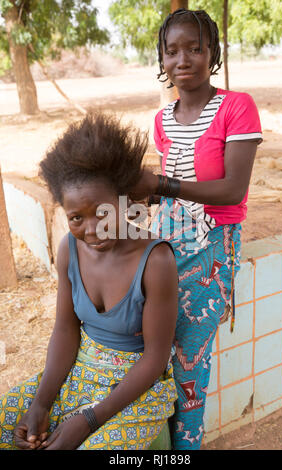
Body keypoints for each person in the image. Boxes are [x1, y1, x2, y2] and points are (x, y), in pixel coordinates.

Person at [0, 112, 178, 450]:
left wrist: (89, 421)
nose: (92, 230)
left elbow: (155, 358)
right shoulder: (70, 248)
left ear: (124, 199)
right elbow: (66, 329)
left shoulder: (156, 261)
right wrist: (41, 403)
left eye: (102, 212)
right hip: (81, 369)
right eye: (76, 218)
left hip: (136, 385)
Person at [128, 8, 263, 450]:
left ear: (213, 53)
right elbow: (172, 190)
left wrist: (161, 183)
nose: (182, 59)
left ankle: (186, 449)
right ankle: (156, 445)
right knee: (154, 354)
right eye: (171, 51)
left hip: (210, 249)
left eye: (194, 48)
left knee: (190, 364)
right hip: (164, 246)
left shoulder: (236, 107)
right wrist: (137, 193)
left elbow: (232, 190)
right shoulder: (163, 120)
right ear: (161, 60)